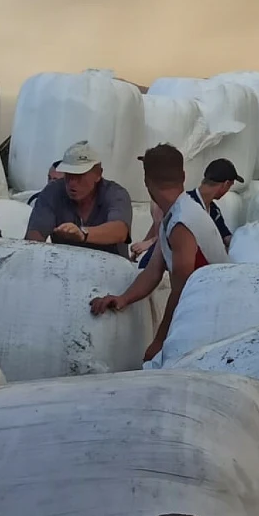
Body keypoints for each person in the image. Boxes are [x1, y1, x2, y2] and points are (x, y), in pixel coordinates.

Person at [90, 144, 229, 362]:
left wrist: (159, 341)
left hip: (213, 319)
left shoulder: (182, 222)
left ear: (146, 182)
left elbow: (182, 289)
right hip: (202, 313)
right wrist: (123, 298)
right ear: (183, 176)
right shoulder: (174, 215)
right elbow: (153, 271)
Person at [25, 140, 133, 254]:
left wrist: (83, 234)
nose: (72, 182)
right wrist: (32, 249)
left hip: (110, 263)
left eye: (79, 175)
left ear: (98, 174)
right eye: (68, 175)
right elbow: (35, 236)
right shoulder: (53, 192)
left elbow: (120, 231)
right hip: (62, 262)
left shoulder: (115, 194)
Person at [134, 157, 242, 267]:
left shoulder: (213, 211)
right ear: (225, 184)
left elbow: (227, 238)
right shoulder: (185, 204)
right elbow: (164, 231)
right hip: (162, 267)